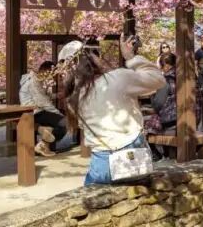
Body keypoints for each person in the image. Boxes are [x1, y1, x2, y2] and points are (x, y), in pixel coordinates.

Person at [58, 34, 166, 185]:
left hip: (101, 161)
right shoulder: (118, 78)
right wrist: (131, 57)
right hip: (133, 155)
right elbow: (158, 79)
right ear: (92, 58)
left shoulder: (72, 99)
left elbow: (82, 126)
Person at [19, 59, 72, 156]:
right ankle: (43, 144)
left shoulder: (36, 80)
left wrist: (58, 95)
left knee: (60, 122)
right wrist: (58, 114)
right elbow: (43, 102)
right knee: (64, 123)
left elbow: (45, 96)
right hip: (34, 112)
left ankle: (44, 144)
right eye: (50, 73)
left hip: (38, 110)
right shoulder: (33, 82)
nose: (50, 77)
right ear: (46, 71)